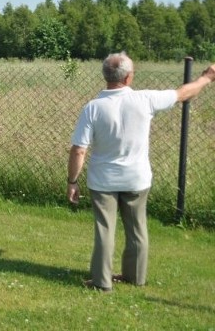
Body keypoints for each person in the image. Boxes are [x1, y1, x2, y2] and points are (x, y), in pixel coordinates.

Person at [67, 52, 215, 291]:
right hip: (137, 178)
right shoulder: (146, 99)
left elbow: (78, 151)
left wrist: (72, 181)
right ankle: (135, 276)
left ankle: (101, 282)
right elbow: (183, 93)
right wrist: (207, 77)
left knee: (105, 230)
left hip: (102, 181)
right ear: (128, 78)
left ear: (107, 76)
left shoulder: (92, 108)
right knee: (137, 229)